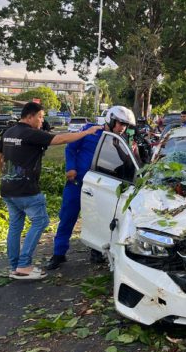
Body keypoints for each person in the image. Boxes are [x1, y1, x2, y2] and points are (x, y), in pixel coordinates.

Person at [0, 102, 103, 280]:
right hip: (27, 190)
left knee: (15, 226)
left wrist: (4, 176)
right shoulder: (30, 133)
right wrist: (87, 132)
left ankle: (14, 267)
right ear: (30, 117)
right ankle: (24, 265)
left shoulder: (9, 132)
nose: (41, 120)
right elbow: (61, 139)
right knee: (41, 221)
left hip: (8, 189)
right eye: (40, 117)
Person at [45, 105, 135, 270]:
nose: (122, 128)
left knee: (100, 219)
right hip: (77, 182)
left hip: (100, 186)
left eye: (125, 125)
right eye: (120, 124)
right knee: (67, 217)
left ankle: (97, 251)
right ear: (111, 119)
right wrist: (70, 167)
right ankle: (58, 254)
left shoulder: (119, 139)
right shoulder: (90, 131)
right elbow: (71, 148)